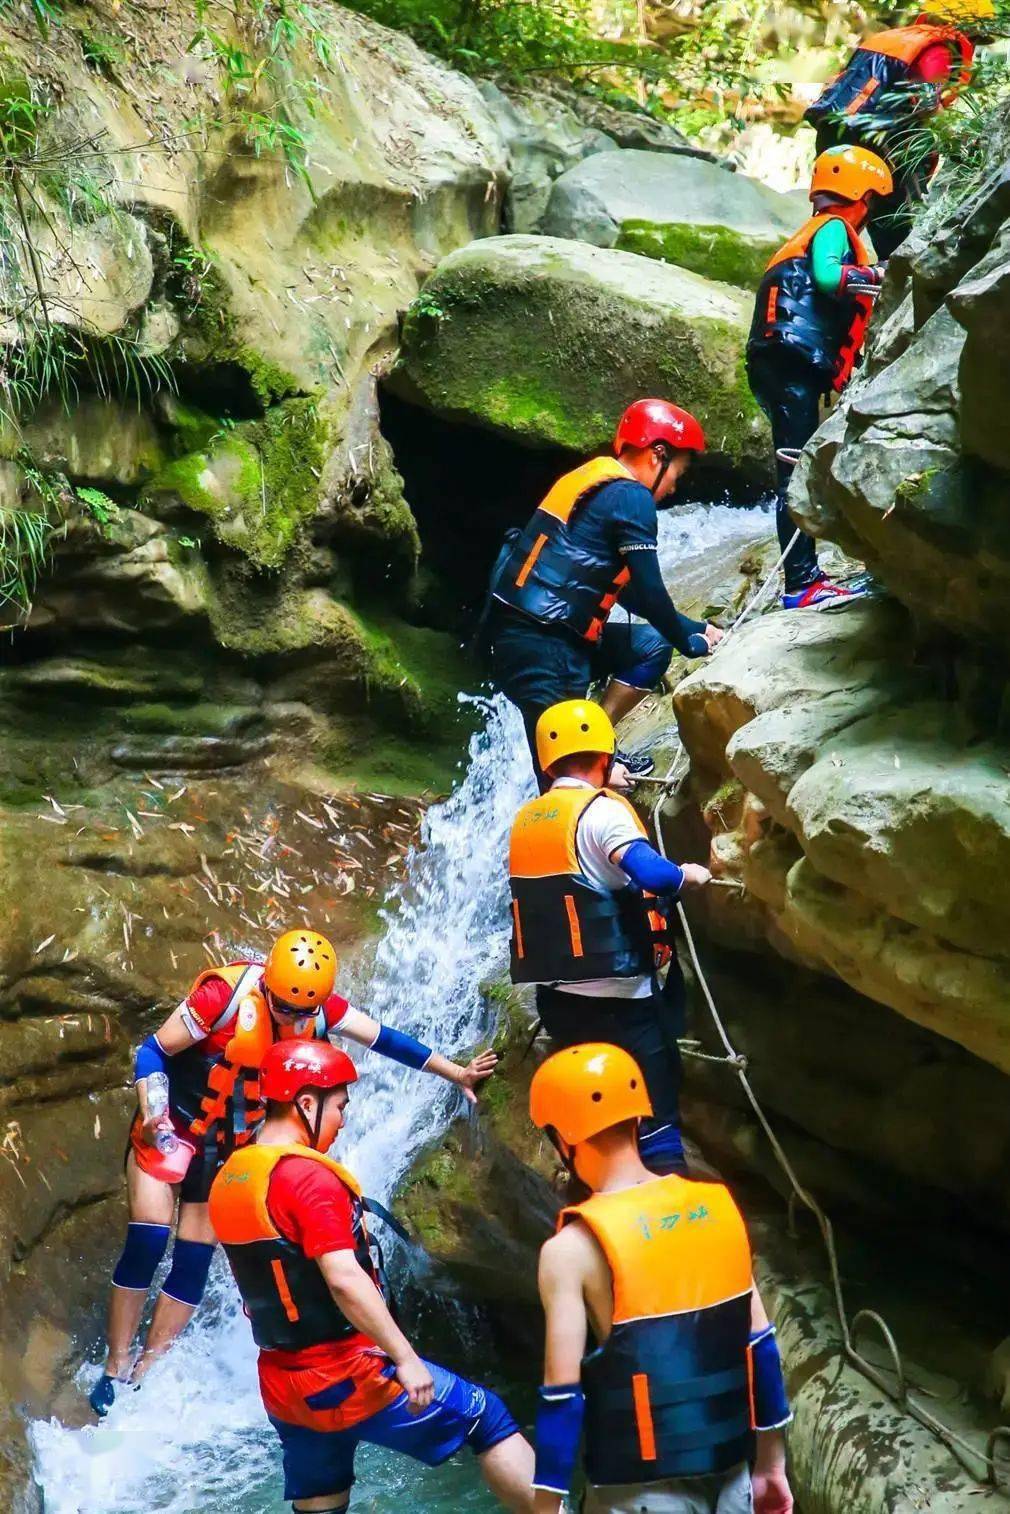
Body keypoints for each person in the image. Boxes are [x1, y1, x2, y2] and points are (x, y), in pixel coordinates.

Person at [90, 928, 496, 1417]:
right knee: (150, 1237)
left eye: (301, 1013)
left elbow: (385, 1039)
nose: (290, 1018)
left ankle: (146, 1372)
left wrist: (455, 1072)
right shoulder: (225, 994)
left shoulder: (323, 1009)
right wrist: (155, 1115)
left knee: (193, 1261)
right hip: (170, 1127)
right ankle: (115, 1364)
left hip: (225, 1149)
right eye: (282, 1007)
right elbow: (151, 1052)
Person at [209, 1039, 536, 1513]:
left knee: (322, 1498)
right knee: (487, 1418)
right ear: (306, 1103)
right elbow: (343, 1277)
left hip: (284, 1386)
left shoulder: (233, 1176)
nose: (343, 1121)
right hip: (346, 1372)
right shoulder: (306, 1179)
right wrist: (406, 1357)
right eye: (338, 1107)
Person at [528, 1043, 793, 1514]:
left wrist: (546, 1508)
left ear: (564, 1137)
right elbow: (761, 1347)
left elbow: (562, 1397)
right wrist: (771, 1467)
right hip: (735, 1479)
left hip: (641, 1495)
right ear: (638, 1117)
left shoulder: (569, 1250)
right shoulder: (718, 1206)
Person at [508, 699, 710, 1178]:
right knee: (654, 1111)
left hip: (558, 1004)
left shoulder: (526, 822)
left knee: (599, 1119)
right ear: (605, 756)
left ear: (548, 762)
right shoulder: (602, 814)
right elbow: (652, 875)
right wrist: (687, 875)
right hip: (624, 1004)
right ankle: (665, 1210)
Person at [486, 398, 723, 788]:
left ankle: (600, 743)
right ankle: (580, 790)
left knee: (651, 646)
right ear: (657, 454)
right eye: (676, 474)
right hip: (543, 643)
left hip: (540, 638)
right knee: (570, 776)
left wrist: (691, 627)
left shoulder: (594, 480)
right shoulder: (632, 497)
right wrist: (688, 641)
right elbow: (649, 589)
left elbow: (626, 591)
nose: (673, 487)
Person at [747, 145, 892, 609]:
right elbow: (829, 279)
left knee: (793, 466)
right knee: (793, 477)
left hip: (780, 363)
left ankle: (803, 578)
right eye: (870, 200)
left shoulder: (807, 231)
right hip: (790, 365)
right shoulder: (832, 228)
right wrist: (877, 274)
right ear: (859, 194)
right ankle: (802, 584)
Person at [805, 2, 995, 259]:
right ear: (961, 25)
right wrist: (958, 141)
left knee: (837, 213)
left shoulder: (892, 38)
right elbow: (926, 103)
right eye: (975, 36)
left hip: (834, 130)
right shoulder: (939, 49)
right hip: (874, 141)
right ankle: (891, 286)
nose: (973, 45)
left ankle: (811, 273)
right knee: (894, 227)